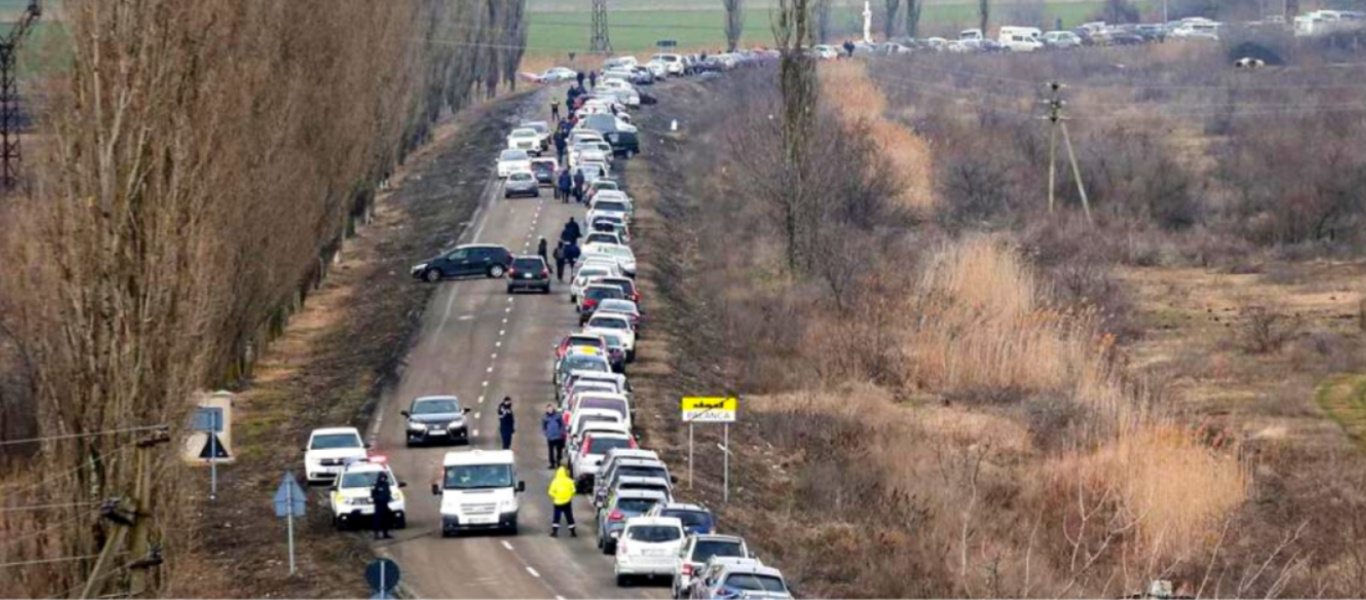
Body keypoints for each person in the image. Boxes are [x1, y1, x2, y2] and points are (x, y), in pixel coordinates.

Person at [547, 467, 577, 538]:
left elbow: (550, 492)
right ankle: (572, 532)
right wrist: (569, 496)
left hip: (557, 503)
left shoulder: (555, 481)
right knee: (569, 516)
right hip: (567, 502)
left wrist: (556, 496)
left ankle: (554, 532)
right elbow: (573, 490)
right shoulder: (569, 481)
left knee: (556, 517)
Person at [371, 472, 395, 540]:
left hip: (385, 504)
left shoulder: (386, 484)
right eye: (382, 477)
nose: (383, 479)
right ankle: (376, 535)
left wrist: (389, 497)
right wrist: (379, 498)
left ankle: (386, 534)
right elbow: (373, 495)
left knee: (386, 519)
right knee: (378, 519)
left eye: (384, 477)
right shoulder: (375, 485)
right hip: (378, 504)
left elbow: (388, 492)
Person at [542, 404, 566, 469]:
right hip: (550, 437)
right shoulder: (545, 417)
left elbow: (562, 425)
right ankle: (552, 463)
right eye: (548, 409)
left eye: (551, 409)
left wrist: (561, 432)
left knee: (559, 450)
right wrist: (546, 433)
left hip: (558, 436)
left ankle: (558, 462)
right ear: (546, 409)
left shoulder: (558, 416)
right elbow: (544, 427)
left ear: (553, 409)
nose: (550, 410)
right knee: (551, 451)